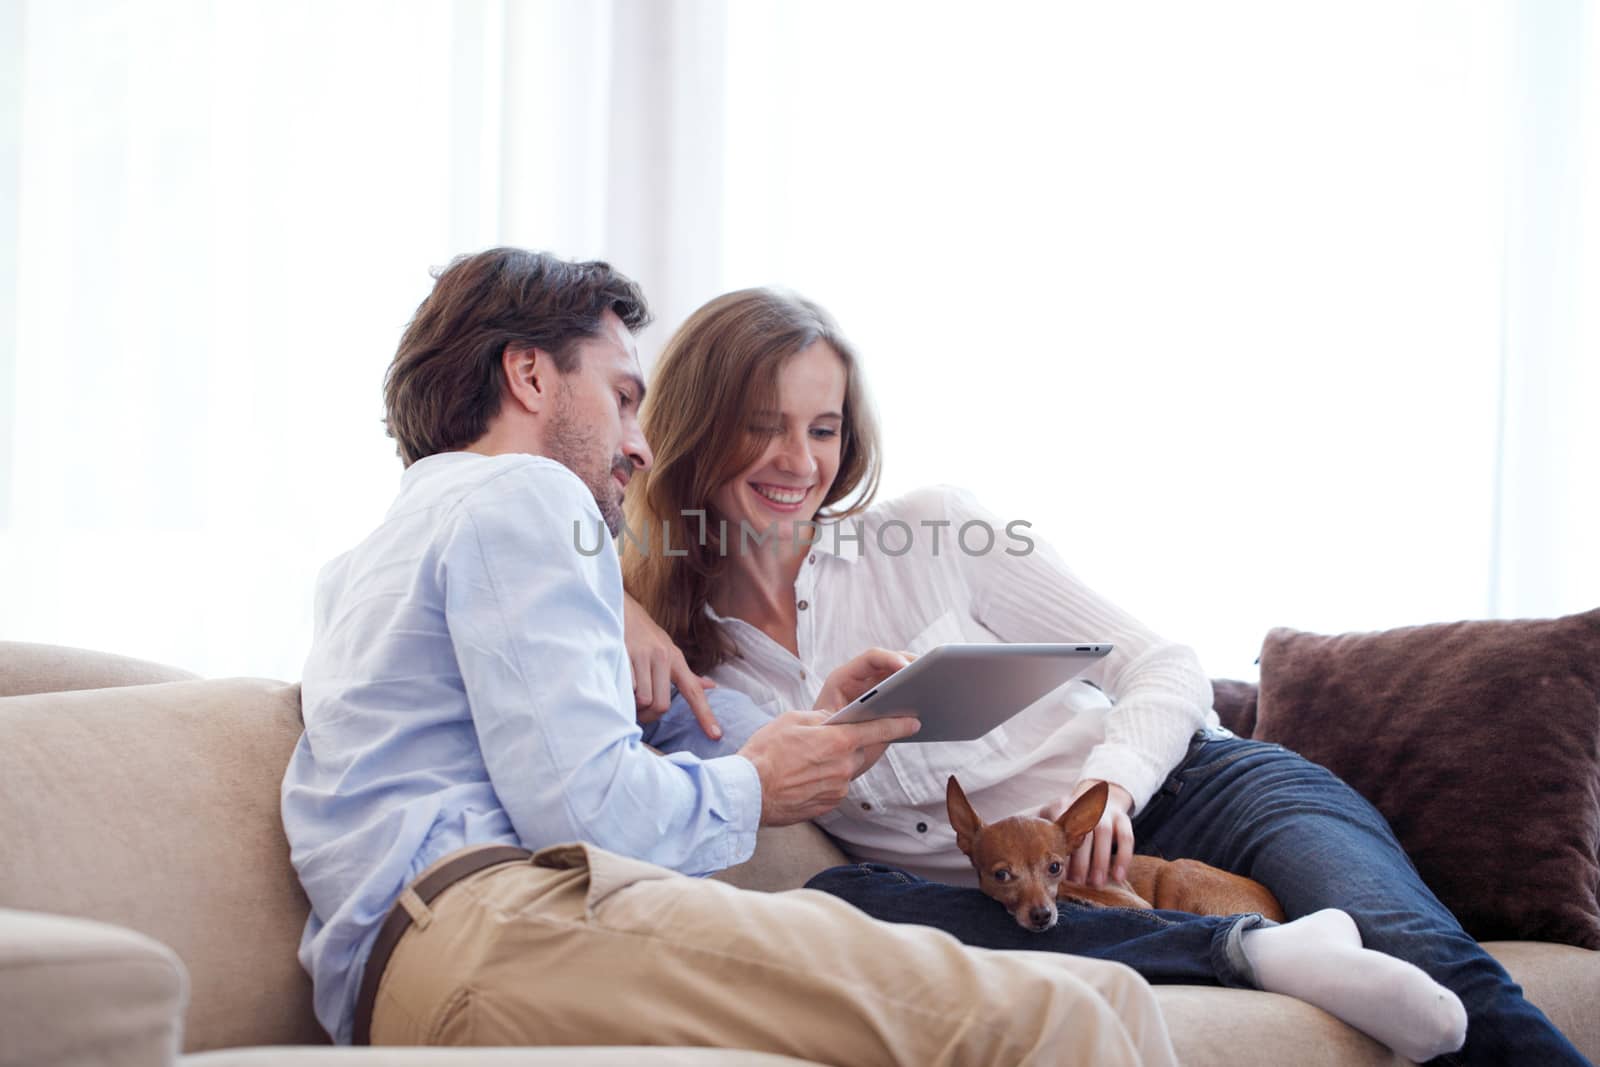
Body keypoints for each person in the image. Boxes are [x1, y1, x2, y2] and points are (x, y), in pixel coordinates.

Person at [621, 287, 1589, 1067]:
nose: (798, 461)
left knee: (1413, 944)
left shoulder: (929, 533)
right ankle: (1266, 954)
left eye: (822, 429)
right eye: (763, 427)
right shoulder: (696, 655)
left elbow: (1164, 664)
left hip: (1196, 791)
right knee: (856, 902)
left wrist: (1114, 791)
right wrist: (628, 604)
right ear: (699, 429)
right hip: (1014, 887)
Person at [279, 247, 1181, 1067]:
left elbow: (673, 732)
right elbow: (587, 813)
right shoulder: (528, 493)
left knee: (1103, 999)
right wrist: (757, 783)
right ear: (527, 374)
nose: (638, 439)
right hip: (497, 931)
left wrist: (805, 730)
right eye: (623, 397)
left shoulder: (366, 560)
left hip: (428, 960)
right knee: (1070, 1022)